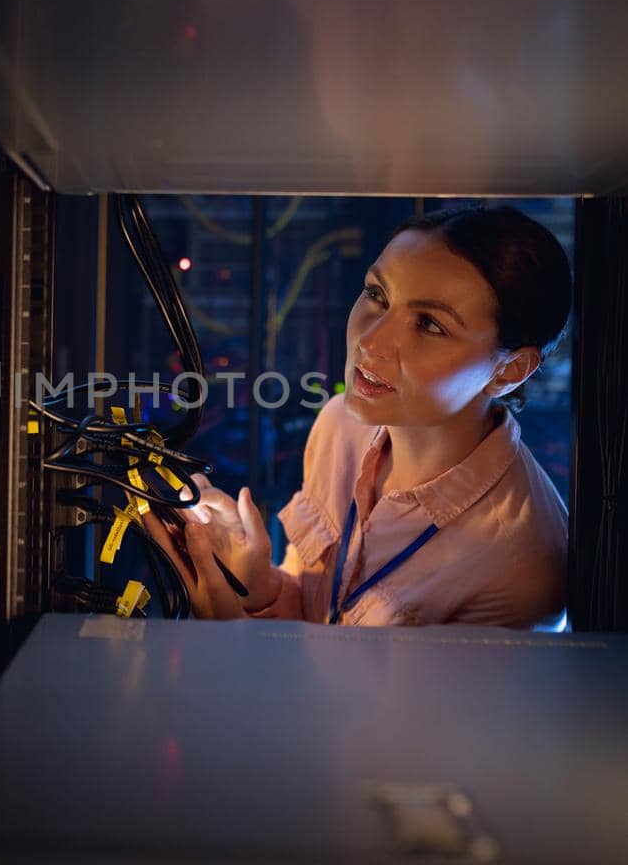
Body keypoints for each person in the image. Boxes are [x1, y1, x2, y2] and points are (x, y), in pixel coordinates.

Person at [144, 205, 573, 629]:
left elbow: (379, 700)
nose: (370, 340)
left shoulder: (522, 569)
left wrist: (234, 633)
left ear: (509, 371)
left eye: (428, 325)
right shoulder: (341, 425)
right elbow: (320, 616)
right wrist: (259, 586)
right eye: (377, 295)